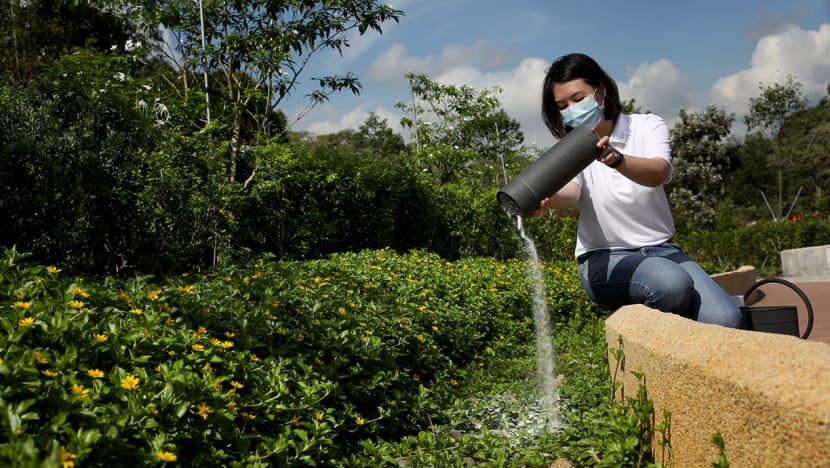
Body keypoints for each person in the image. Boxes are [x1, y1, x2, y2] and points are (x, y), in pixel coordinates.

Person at [534, 53, 741, 328]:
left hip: (662, 250)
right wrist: (548, 198)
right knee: (671, 284)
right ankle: (634, 331)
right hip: (604, 258)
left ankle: (651, 317)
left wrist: (617, 159)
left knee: (725, 320)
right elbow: (571, 192)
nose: (571, 110)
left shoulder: (647, 126)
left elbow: (659, 172)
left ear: (601, 91)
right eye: (563, 106)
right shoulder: (572, 145)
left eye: (577, 98)